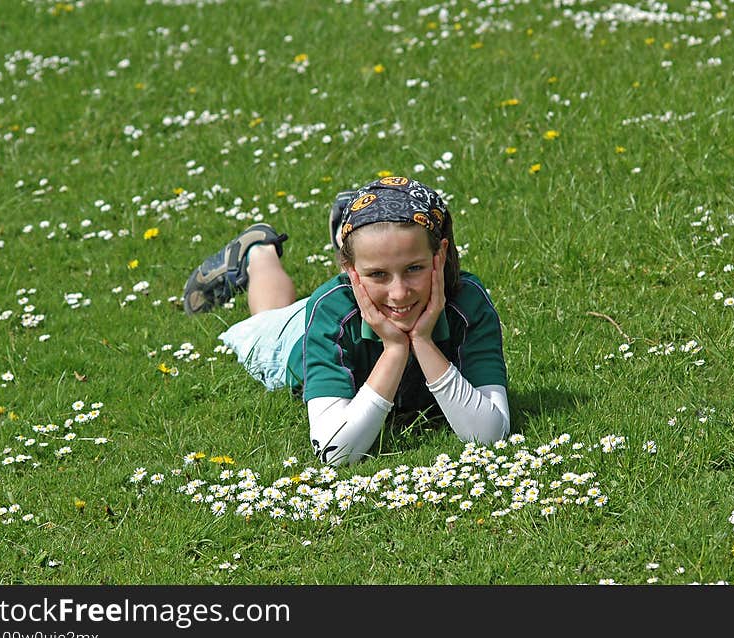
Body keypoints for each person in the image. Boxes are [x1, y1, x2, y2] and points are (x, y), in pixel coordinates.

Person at [183, 176, 510, 465]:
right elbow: (335, 451)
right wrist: (396, 348)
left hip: (360, 302)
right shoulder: (330, 311)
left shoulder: (467, 302)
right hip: (296, 335)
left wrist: (422, 341)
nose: (399, 293)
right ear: (351, 271)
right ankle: (258, 252)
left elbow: (490, 435)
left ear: (439, 255)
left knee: (379, 283)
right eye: (378, 273)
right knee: (268, 316)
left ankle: (356, 234)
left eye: (414, 268)